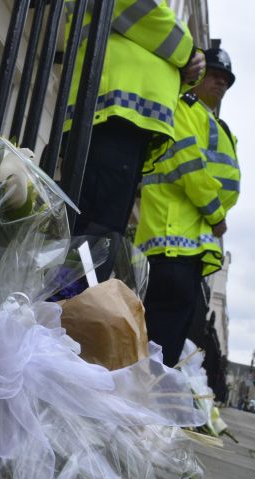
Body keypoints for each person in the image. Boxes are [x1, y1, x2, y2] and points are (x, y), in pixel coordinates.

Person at [64, 1, 205, 281]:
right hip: (111, 110)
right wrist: (187, 51)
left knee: (100, 236)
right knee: (92, 235)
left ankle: (74, 312)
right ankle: (69, 313)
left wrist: (189, 63)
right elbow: (137, 9)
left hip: (127, 116)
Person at [135, 48, 240, 367]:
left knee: (168, 337)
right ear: (196, 76)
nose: (220, 83)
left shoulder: (213, 123)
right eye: (214, 75)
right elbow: (188, 166)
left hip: (190, 246)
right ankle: (140, 401)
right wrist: (216, 214)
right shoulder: (183, 108)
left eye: (226, 79)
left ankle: (148, 403)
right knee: (159, 337)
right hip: (170, 240)